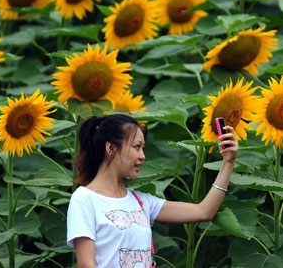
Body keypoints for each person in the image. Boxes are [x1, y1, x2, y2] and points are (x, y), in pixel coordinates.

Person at [67, 114, 238, 268]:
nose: (142, 155)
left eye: (143, 148)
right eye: (136, 147)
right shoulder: (84, 199)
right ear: (111, 148)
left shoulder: (142, 202)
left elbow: (204, 211)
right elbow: (86, 265)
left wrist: (228, 163)